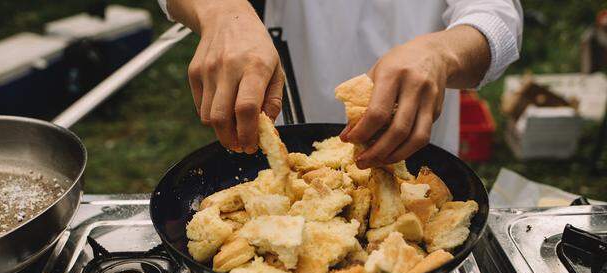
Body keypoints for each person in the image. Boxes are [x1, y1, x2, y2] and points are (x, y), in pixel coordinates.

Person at [158, 0, 522, 169]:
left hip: (415, 156)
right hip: (283, 139)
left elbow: (498, 18)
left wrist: (443, 53)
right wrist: (221, 13)